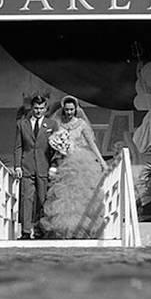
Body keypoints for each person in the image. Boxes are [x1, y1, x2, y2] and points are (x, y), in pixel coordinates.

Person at [40, 96, 108, 239]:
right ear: (63, 109)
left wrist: (101, 160)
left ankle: (82, 228)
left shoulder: (81, 124)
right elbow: (52, 140)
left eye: (72, 109)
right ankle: (65, 229)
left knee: (80, 196)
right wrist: (59, 146)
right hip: (63, 161)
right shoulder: (58, 123)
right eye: (67, 109)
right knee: (64, 197)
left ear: (76, 109)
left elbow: (91, 143)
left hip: (80, 162)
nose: (69, 112)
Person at [14, 95, 59, 239]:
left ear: (45, 109)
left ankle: (41, 230)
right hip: (27, 166)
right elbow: (18, 147)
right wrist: (17, 166)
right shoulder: (22, 124)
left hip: (44, 166)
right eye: (36, 108)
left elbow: (56, 149)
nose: (39, 111)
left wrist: (53, 166)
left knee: (43, 199)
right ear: (32, 108)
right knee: (26, 199)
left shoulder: (52, 125)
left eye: (41, 108)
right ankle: (26, 231)